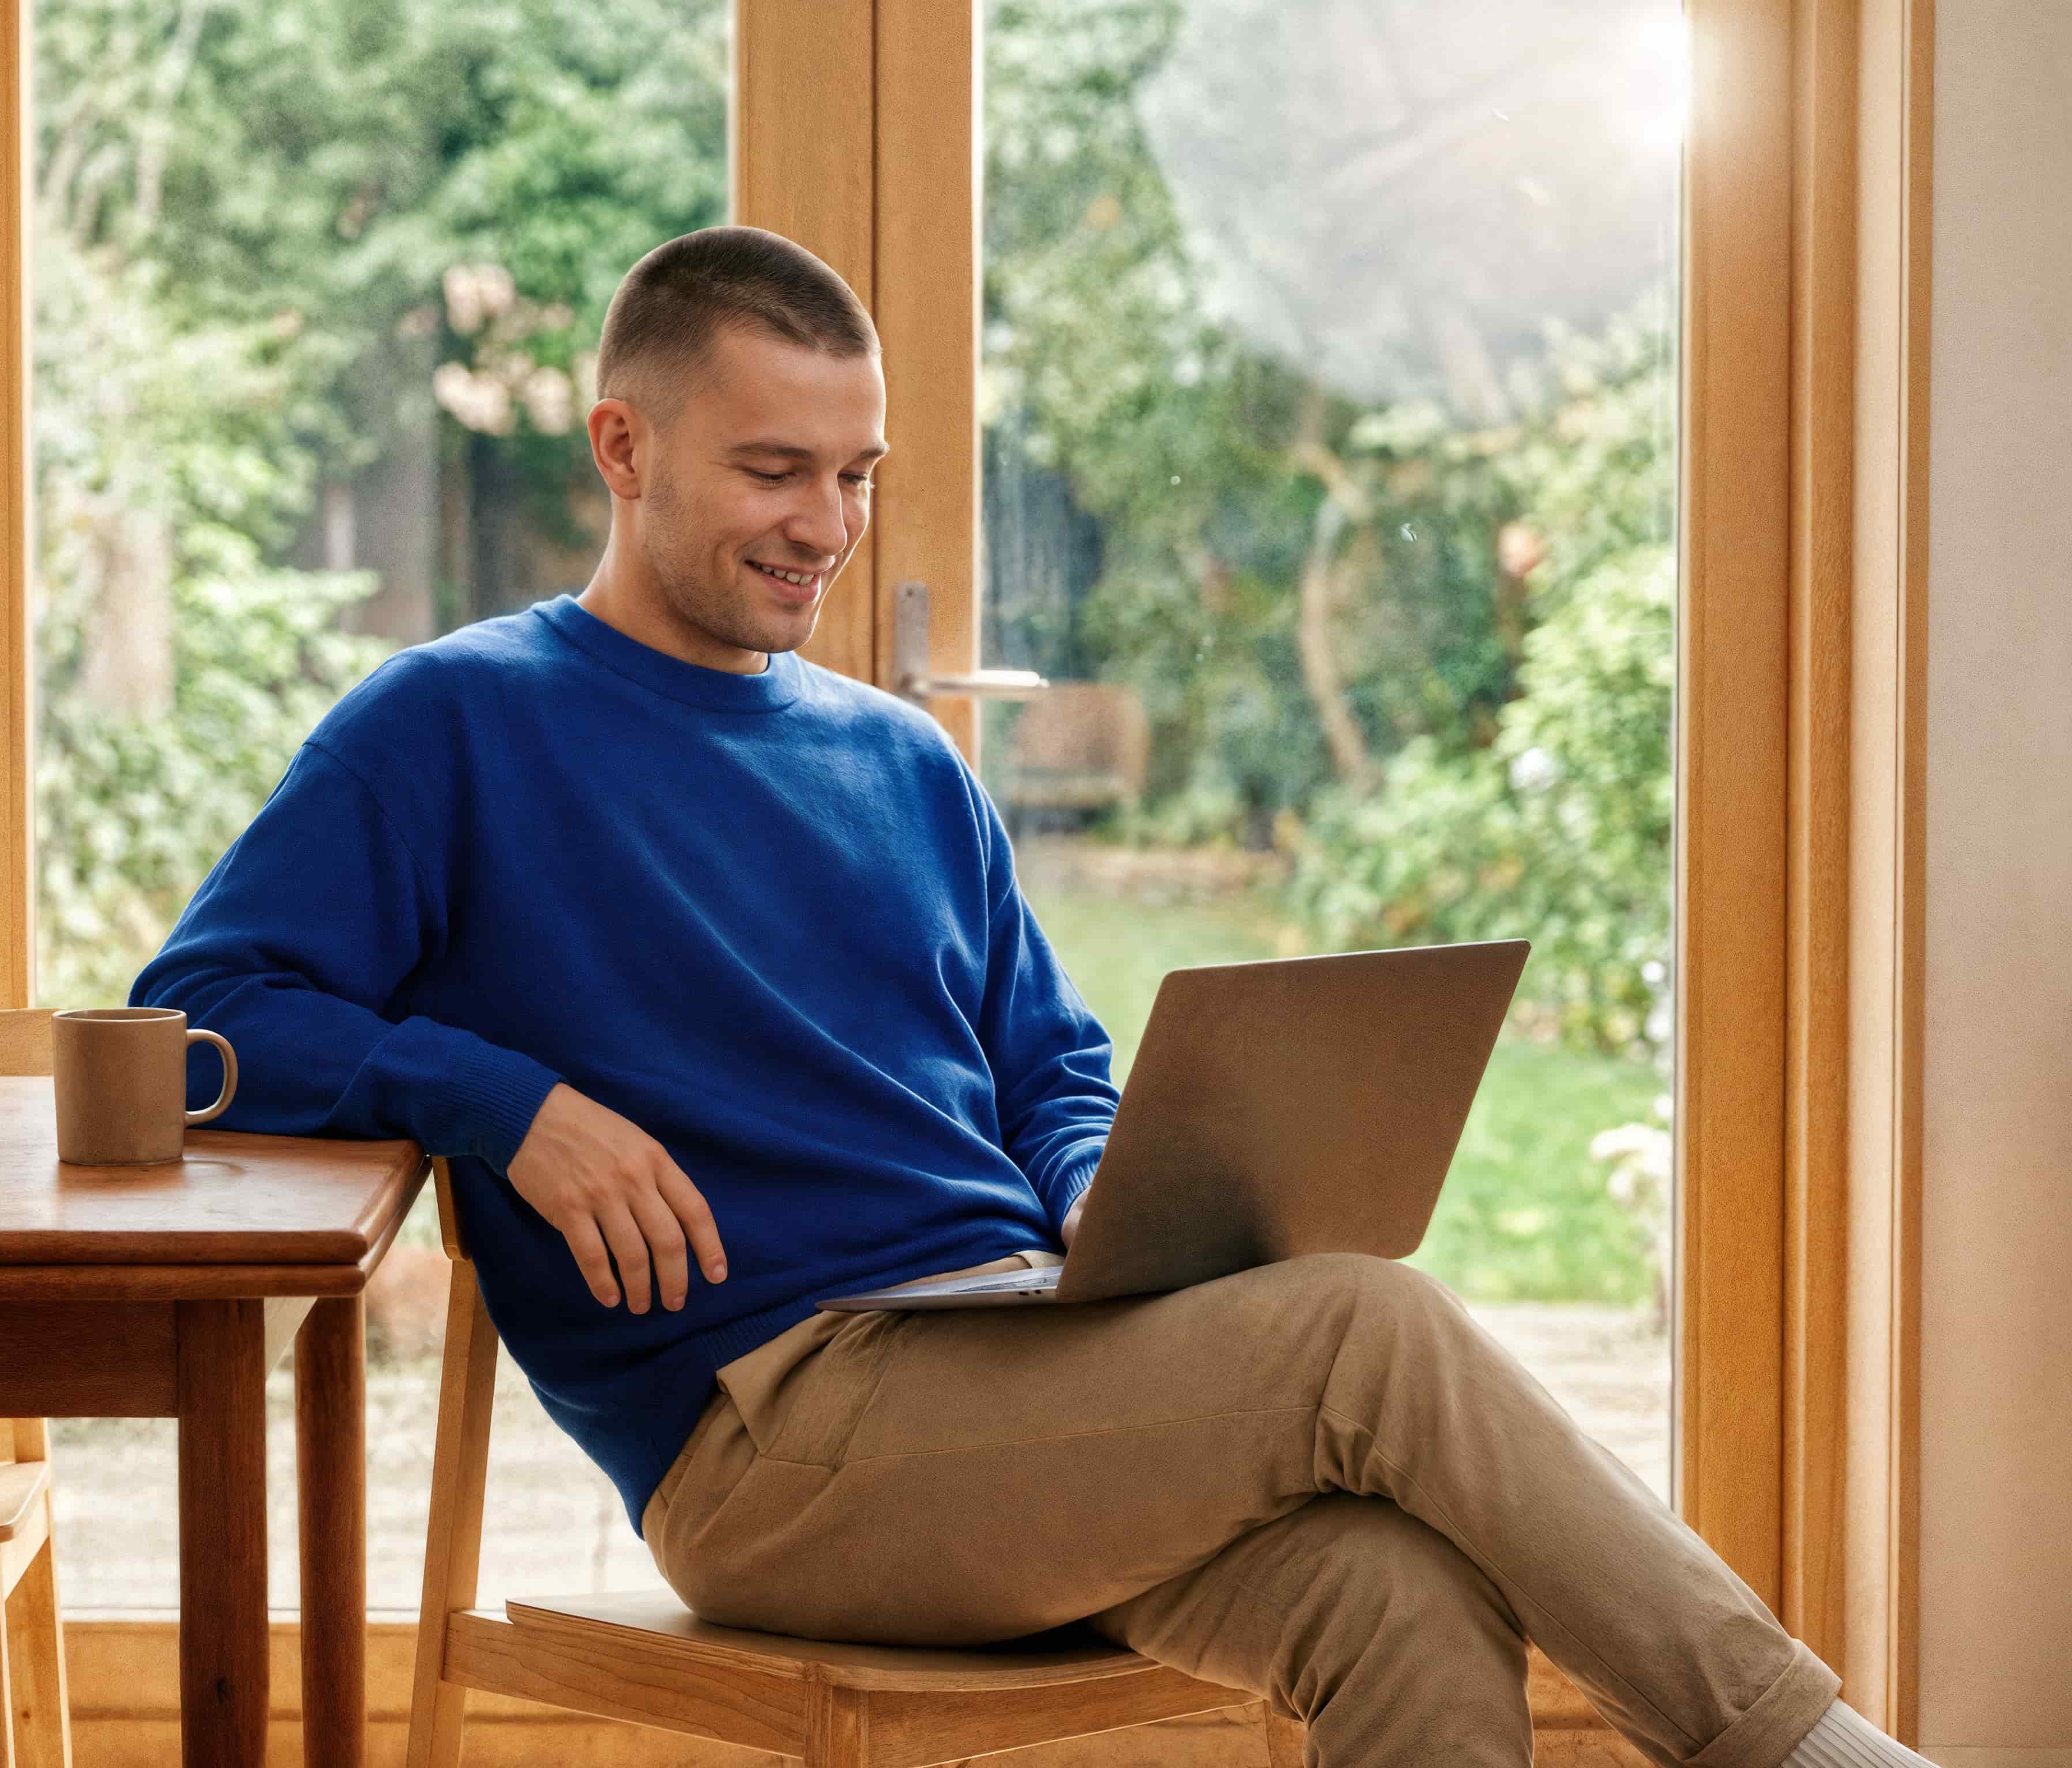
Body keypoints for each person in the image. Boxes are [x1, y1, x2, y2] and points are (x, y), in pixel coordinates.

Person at [131, 226, 1913, 1768]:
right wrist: (501, 1102)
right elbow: (199, 1012)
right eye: (774, 470)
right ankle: (1797, 1746)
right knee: (1364, 1329)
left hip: (1017, 1358)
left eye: (858, 475)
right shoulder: (454, 724)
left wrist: (1094, 1184)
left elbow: (1050, 1063)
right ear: (623, 445)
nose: (825, 525)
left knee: (1402, 1593)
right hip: (771, 1444)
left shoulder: (903, 764)